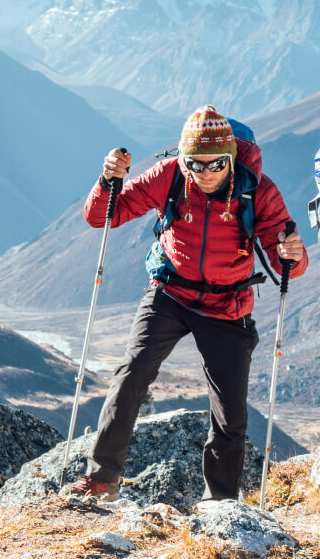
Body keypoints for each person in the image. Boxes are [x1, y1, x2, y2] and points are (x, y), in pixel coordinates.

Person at [67, 105, 307, 502]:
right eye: (195, 162)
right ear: (183, 157)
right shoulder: (170, 175)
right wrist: (108, 180)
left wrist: (292, 255)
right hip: (170, 292)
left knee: (230, 414)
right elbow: (103, 217)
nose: (205, 172)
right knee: (131, 373)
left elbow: (287, 263)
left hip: (227, 305)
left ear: (231, 158)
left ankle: (222, 503)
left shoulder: (258, 190)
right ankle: (100, 479)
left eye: (216, 163)